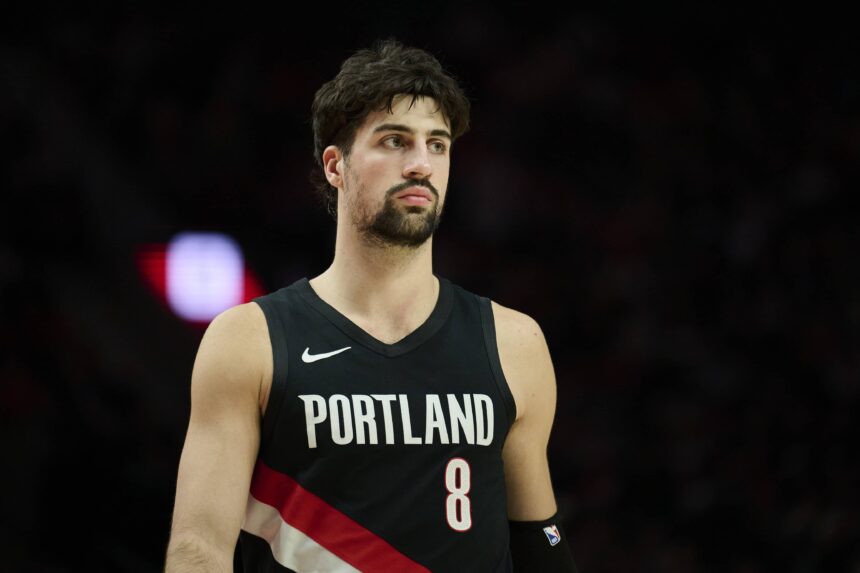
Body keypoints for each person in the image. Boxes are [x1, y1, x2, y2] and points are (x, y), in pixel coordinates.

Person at [164, 38, 578, 573]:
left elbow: (539, 543)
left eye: (437, 144)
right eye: (394, 141)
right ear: (335, 166)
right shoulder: (250, 339)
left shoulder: (514, 342)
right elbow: (199, 548)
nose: (421, 164)